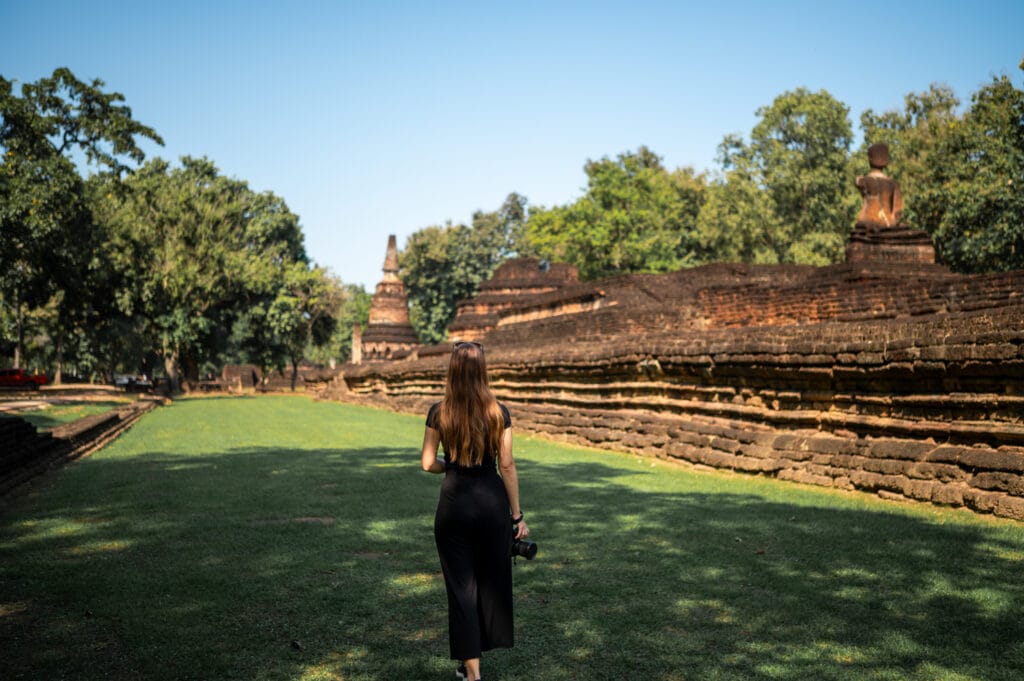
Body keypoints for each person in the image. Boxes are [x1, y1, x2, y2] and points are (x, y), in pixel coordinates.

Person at [421, 340, 529, 681]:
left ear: (452, 370)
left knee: (461, 590)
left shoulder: (440, 412)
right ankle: (471, 667)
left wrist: (450, 466)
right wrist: (517, 517)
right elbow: (507, 466)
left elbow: (427, 464)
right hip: (491, 505)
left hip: (454, 506)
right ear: (483, 371)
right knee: (488, 584)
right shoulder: (499, 413)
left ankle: (472, 673)